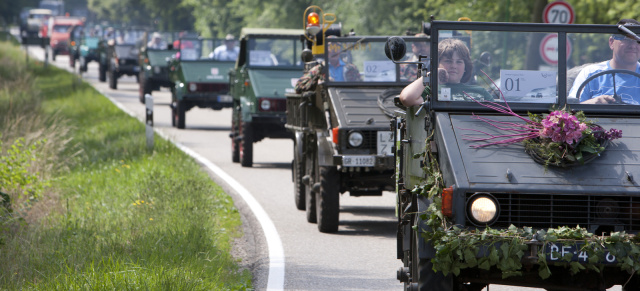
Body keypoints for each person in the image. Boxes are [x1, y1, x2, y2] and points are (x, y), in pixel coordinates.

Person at [399, 38, 493, 106]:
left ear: (465, 67)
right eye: (448, 61)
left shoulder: (480, 93)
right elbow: (407, 98)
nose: (454, 66)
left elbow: (498, 115)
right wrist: (431, 76)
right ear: (437, 64)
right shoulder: (429, 92)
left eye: (459, 62)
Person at [568, 19, 640, 104]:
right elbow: (570, 111)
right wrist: (592, 103)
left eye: (638, 41)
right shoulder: (590, 73)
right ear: (611, 42)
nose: (633, 45)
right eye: (626, 39)